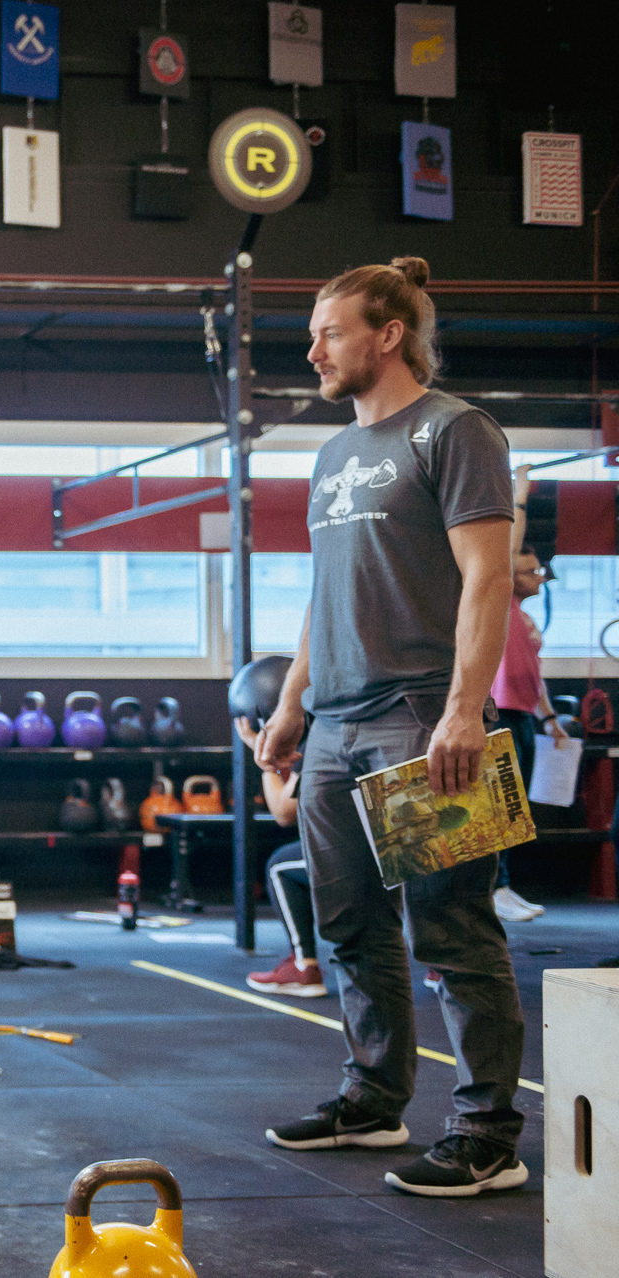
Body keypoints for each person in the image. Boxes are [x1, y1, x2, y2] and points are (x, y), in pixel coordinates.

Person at [255, 257, 529, 1198]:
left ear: (388, 334)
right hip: (335, 723)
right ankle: (373, 1101)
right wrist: (293, 703)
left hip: (420, 715)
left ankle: (488, 1134)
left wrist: (464, 709)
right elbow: (326, 591)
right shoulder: (334, 455)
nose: (313, 351)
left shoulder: (455, 431)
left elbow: (487, 578)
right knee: (347, 930)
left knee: (451, 930)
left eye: (329, 333)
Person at [485, 464, 567, 922]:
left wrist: (549, 717)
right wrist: (519, 493)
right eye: (530, 571)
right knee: (499, 804)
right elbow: (504, 550)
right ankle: (493, 888)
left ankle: (504, 884)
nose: (540, 577)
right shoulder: (498, 601)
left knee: (514, 808)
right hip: (496, 716)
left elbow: (535, 677)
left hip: (523, 716)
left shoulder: (526, 618)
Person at [235, 716, 323, 998]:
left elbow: (284, 812)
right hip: (408, 846)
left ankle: (303, 966)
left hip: (365, 853)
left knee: (280, 866)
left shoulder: (326, 735)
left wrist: (266, 761)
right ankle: (438, 963)